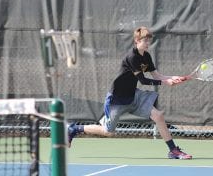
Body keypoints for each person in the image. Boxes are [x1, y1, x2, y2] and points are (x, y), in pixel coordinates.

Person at [68, 26, 192, 159]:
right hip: (117, 100)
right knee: (108, 131)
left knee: (158, 116)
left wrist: (172, 77)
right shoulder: (132, 57)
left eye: (148, 41)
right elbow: (143, 80)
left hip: (133, 96)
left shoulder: (147, 56)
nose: (147, 43)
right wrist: (166, 82)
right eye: (144, 41)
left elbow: (157, 76)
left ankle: (173, 151)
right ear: (136, 41)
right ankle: (74, 129)